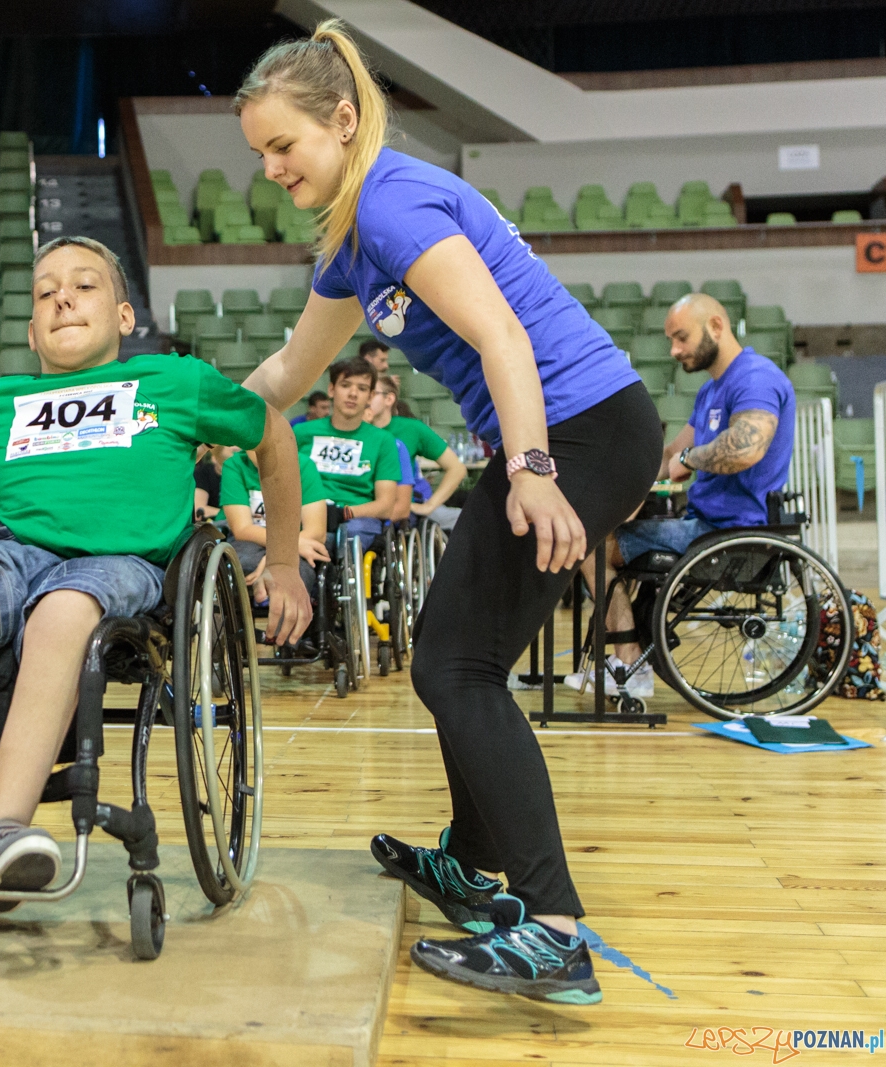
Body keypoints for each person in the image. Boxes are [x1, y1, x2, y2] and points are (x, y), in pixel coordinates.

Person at [236, 20, 657, 1004]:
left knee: (454, 665)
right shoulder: (350, 243)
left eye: (283, 147)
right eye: (259, 154)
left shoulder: (389, 203)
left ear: (342, 121)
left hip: (578, 426)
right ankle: (469, 864)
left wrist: (533, 469)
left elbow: (503, 335)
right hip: (559, 429)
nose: (269, 169)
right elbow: (288, 375)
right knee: (452, 656)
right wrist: (187, 414)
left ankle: (553, 927)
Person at [0, 236, 311, 900]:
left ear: (125, 316)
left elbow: (275, 437)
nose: (62, 295)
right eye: (45, 291)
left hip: (121, 564)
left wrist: (284, 560)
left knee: (64, 611)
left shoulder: (175, 381)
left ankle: (5, 825)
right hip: (11, 551)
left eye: (84, 284)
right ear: (32, 330)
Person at [573, 292, 794, 698]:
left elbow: (747, 447)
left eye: (681, 338)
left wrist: (690, 459)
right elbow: (671, 455)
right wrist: (619, 481)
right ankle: (626, 653)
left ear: (715, 326)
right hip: (704, 526)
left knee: (591, 545)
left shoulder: (755, 378)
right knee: (602, 529)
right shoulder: (712, 391)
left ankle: (628, 661)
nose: (673, 350)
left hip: (730, 534)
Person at [293, 356, 400, 545]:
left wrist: (345, 512)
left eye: (362, 388)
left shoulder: (383, 441)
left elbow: (385, 506)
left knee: (351, 535)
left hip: (356, 520)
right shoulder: (301, 433)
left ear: (370, 395)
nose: (353, 394)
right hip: (306, 515)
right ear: (331, 389)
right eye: (345, 385)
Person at [219, 441, 330, 599]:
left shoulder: (303, 465)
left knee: (295, 572)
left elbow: (317, 532)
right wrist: (278, 552)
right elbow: (242, 529)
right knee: (244, 565)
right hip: (253, 540)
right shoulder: (234, 465)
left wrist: (275, 556)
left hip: (300, 541)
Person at [368, 373, 465, 531]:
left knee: (467, 520)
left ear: (389, 399)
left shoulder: (411, 428)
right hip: (366, 506)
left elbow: (457, 468)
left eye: (372, 393)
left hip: (410, 504)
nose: (364, 398)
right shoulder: (352, 431)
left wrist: (430, 505)